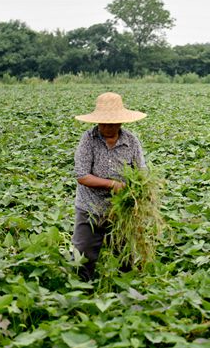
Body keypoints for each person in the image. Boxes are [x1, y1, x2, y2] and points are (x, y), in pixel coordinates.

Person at [72, 92, 147, 281]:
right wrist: (112, 184)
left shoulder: (131, 141)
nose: (108, 127)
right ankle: (82, 292)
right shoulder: (88, 140)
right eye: (104, 123)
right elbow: (82, 175)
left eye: (113, 123)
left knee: (124, 256)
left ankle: (124, 294)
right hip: (90, 208)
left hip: (121, 210)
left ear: (121, 122)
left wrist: (139, 189)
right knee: (82, 256)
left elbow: (142, 171)